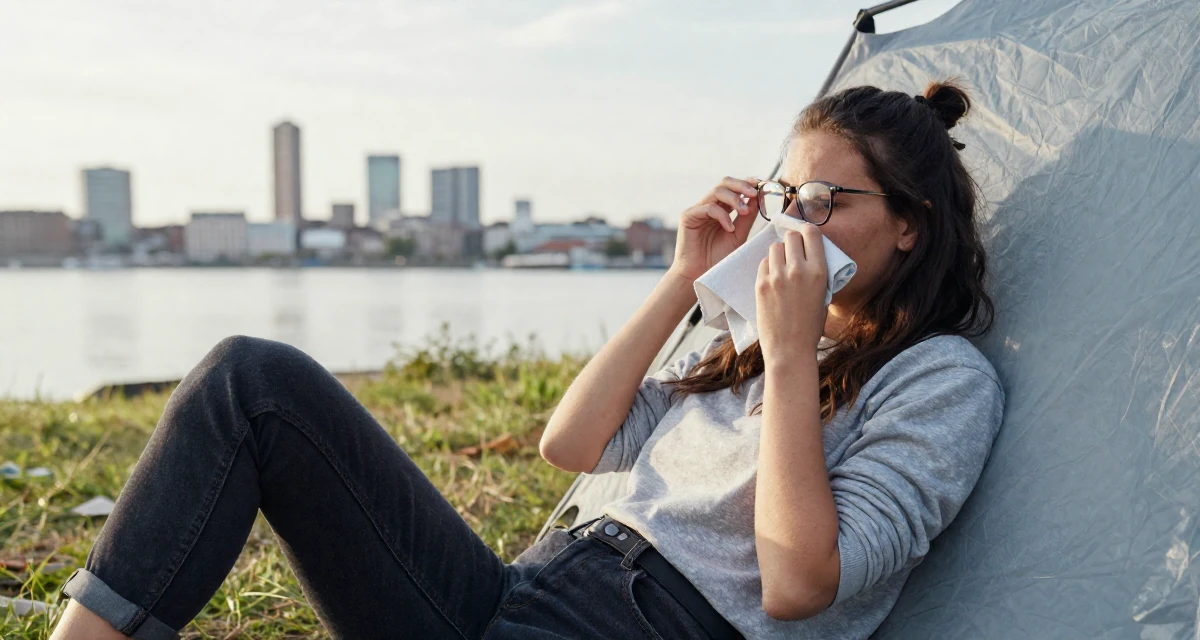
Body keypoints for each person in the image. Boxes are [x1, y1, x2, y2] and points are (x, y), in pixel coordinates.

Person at [50, 81, 1004, 640]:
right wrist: (683, 280)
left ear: (909, 226)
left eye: (825, 203)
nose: (795, 225)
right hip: (521, 593)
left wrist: (792, 356)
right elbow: (572, 444)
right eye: (786, 197)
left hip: (642, 624)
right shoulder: (747, 341)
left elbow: (798, 587)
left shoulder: (941, 382)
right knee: (251, 380)